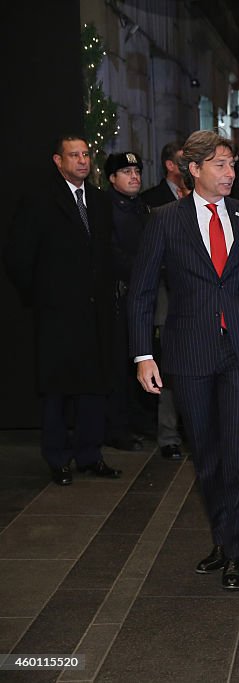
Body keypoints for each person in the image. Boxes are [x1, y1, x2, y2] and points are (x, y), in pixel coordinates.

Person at [128, 130, 239, 590]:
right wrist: (142, 355)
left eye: (232, 164)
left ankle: (235, 551)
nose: (230, 173)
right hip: (190, 350)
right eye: (219, 164)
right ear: (192, 169)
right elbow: (141, 292)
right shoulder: (164, 220)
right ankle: (221, 535)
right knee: (208, 455)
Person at [4, 135, 121, 486]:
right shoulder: (40, 201)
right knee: (56, 390)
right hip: (57, 314)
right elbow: (18, 256)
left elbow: (105, 256)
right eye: (74, 155)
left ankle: (89, 454)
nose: (82, 161)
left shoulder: (100, 202)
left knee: (93, 388)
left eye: (86, 154)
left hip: (96, 313)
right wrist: (42, 297)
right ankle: (57, 458)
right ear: (58, 161)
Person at [141, 140, 188, 460]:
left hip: (203, 305)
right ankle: (168, 435)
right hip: (169, 303)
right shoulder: (153, 204)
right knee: (170, 375)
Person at [105, 151, 151, 453]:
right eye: (126, 172)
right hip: (120, 296)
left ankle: (137, 421)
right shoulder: (106, 209)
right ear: (112, 178)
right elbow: (111, 253)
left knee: (142, 359)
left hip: (143, 296)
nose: (133, 176)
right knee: (120, 366)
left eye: (136, 170)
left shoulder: (144, 209)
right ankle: (117, 428)